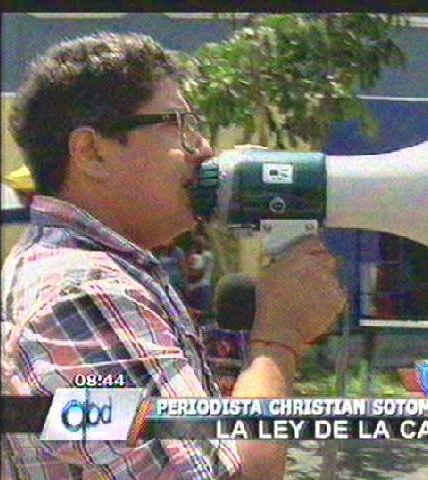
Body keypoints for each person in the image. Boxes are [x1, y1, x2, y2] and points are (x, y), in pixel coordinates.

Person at [1, 32, 346, 480]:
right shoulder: (84, 295)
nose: (202, 150)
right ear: (92, 152)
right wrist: (278, 339)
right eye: (179, 125)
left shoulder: (95, 274)